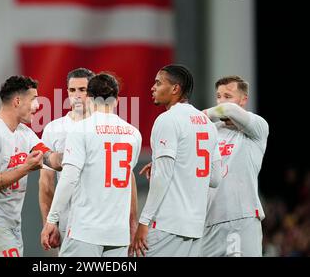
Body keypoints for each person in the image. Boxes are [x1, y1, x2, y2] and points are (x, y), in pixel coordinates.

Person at [41, 72, 142, 257]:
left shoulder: (81, 130)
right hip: (118, 234)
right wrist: (132, 223)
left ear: (89, 98)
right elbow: (128, 180)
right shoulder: (133, 134)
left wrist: (51, 219)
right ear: (117, 100)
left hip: (85, 231)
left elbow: (69, 179)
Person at [0, 75, 63, 257]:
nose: (37, 106)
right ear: (18, 101)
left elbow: (51, 159)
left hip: (10, 223)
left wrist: (75, 155)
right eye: (34, 99)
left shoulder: (25, 134)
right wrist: (25, 168)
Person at [133, 64, 222, 257]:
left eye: (158, 82)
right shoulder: (208, 124)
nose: (152, 87)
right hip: (195, 227)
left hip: (167, 223)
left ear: (175, 89)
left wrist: (144, 221)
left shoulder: (168, 119)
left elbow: (163, 176)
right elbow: (215, 178)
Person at [200, 76, 269, 257]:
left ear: (243, 99)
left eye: (228, 96)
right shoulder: (211, 131)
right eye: (219, 96)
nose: (221, 101)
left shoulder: (257, 127)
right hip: (208, 221)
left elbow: (229, 110)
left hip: (240, 218)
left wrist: (195, 117)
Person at [38, 68, 95, 249]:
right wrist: (49, 222)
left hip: (102, 219)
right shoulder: (53, 129)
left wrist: (132, 221)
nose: (77, 96)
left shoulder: (105, 127)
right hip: (69, 220)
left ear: (93, 92)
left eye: (82, 90)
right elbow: (46, 183)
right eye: (72, 90)